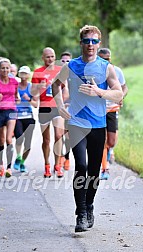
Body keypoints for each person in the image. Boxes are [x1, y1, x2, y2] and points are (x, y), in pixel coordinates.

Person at [52, 25, 123, 232]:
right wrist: (59, 106)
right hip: (76, 123)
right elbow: (56, 85)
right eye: (86, 41)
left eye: (94, 41)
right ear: (80, 43)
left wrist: (99, 92)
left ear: (99, 44)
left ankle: (89, 205)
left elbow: (118, 93)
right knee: (81, 166)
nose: (90, 45)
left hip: (98, 124)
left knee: (93, 171)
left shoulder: (106, 67)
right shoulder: (71, 66)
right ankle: (81, 213)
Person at [31, 47, 69, 178]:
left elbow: (65, 90)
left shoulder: (60, 70)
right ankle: (47, 165)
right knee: (46, 139)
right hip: (44, 108)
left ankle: (58, 166)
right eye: (47, 57)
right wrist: (39, 88)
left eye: (52, 56)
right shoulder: (37, 72)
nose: (50, 59)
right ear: (43, 58)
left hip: (57, 108)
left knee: (59, 136)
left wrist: (62, 103)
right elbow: (33, 94)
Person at [98, 48, 128, 180]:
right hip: (98, 109)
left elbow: (124, 87)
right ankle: (105, 169)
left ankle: (110, 150)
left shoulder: (117, 71)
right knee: (103, 140)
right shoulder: (94, 72)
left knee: (112, 140)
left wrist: (121, 96)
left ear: (110, 59)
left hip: (113, 108)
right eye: (102, 59)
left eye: (107, 59)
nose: (105, 61)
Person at [13, 66, 38, 173]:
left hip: (28, 116)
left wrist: (28, 100)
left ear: (28, 75)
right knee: (19, 138)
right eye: (22, 73)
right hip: (17, 116)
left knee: (28, 144)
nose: (23, 76)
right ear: (19, 74)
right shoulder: (14, 87)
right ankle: (18, 157)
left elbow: (36, 104)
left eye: (25, 73)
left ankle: (22, 162)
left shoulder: (32, 88)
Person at [59, 51, 72, 170]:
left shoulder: (73, 76)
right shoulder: (56, 76)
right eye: (63, 61)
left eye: (68, 61)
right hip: (58, 111)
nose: (65, 63)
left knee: (67, 136)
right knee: (59, 136)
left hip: (70, 110)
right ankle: (59, 160)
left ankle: (66, 157)